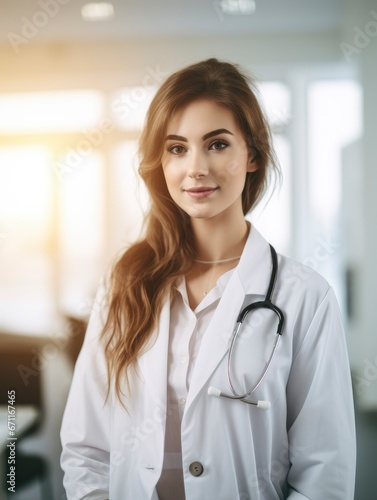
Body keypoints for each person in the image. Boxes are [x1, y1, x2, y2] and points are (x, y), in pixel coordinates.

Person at [60, 58, 356, 500]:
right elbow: (85, 448)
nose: (195, 168)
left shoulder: (306, 298)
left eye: (216, 144)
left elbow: (324, 473)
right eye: (177, 148)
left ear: (252, 154)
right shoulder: (126, 285)